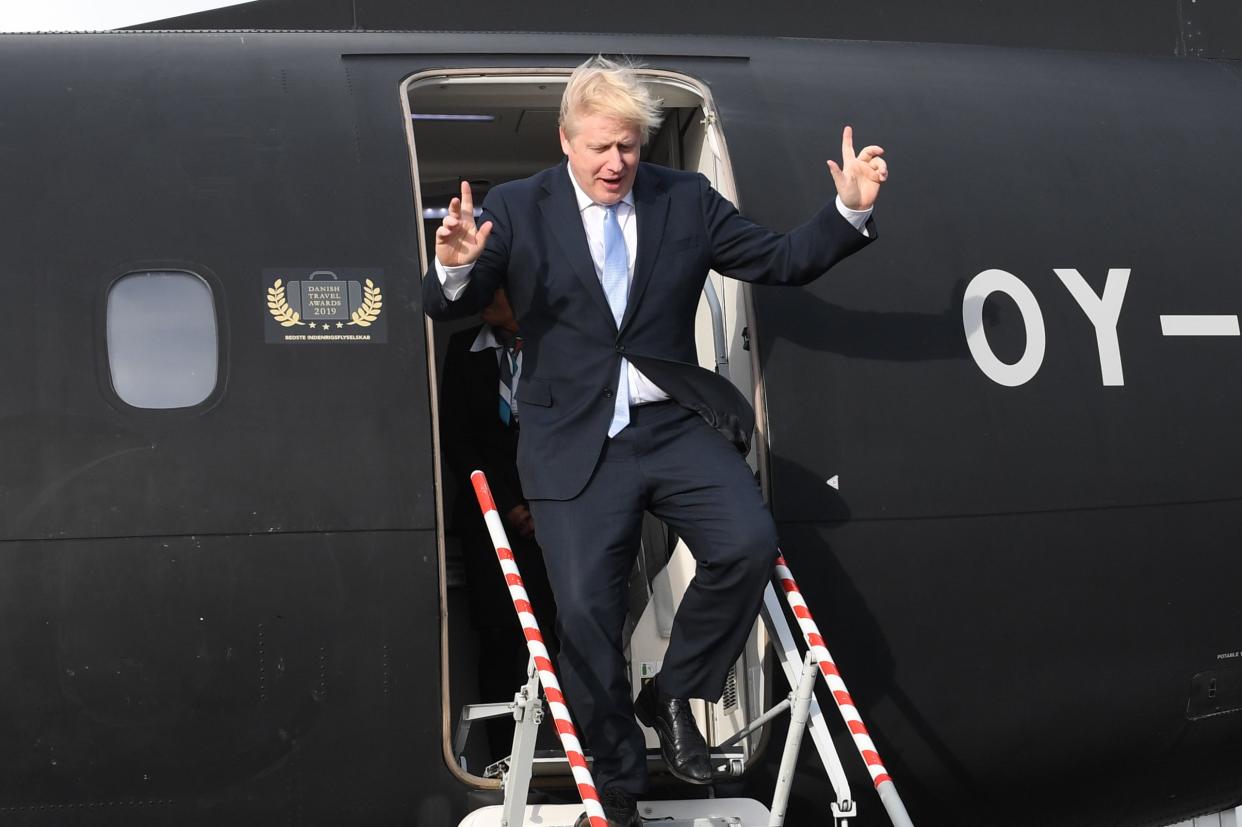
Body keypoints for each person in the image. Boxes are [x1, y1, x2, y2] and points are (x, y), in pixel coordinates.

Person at [423, 56, 887, 827]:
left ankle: (674, 690)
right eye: (602, 147)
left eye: (631, 147)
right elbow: (455, 303)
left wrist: (844, 214)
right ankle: (614, 784)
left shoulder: (685, 199)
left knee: (746, 543)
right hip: (574, 439)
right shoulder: (518, 205)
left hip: (670, 424)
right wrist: (454, 268)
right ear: (565, 140)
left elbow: (777, 259)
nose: (618, 163)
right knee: (585, 618)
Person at [439, 288, 557, 759]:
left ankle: (585, 752)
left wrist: (544, 506)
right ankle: (502, 758)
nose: (486, 297)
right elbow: (458, 439)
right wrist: (510, 506)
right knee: (499, 637)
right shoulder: (464, 349)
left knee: (565, 634)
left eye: (498, 287)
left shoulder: (558, 345)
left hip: (557, 514)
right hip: (489, 519)